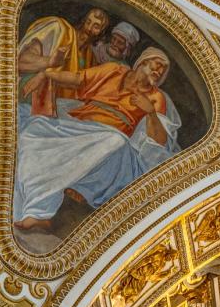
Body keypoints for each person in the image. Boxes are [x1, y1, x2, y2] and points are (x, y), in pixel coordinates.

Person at [13, 47, 182, 231]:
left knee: (115, 140)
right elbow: (77, 78)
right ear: (142, 62)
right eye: (156, 66)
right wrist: (46, 74)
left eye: (162, 71)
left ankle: (38, 212)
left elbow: (159, 142)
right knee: (33, 130)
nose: (158, 72)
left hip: (109, 138)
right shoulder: (114, 71)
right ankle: (33, 209)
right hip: (79, 126)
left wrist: (150, 112)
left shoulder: (156, 97)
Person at [17, 8, 110, 114]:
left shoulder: (91, 58)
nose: (89, 28)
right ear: (83, 21)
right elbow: (20, 62)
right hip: (31, 95)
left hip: (62, 108)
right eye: (88, 22)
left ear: (101, 33)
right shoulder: (59, 29)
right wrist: (49, 62)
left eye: (96, 26)